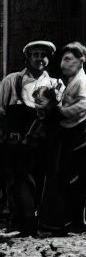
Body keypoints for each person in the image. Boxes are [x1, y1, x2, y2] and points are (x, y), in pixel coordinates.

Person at [0, 41, 62, 235]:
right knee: (18, 180)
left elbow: (60, 113)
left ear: (48, 59)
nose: (39, 59)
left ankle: (37, 220)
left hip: (43, 141)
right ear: (27, 57)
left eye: (43, 55)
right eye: (34, 54)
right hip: (17, 141)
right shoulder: (12, 80)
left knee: (40, 179)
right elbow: (1, 110)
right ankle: (22, 221)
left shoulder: (55, 84)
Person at [42, 42, 86, 234]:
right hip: (76, 134)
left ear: (80, 61)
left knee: (78, 179)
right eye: (63, 59)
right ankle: (73, 220)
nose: (63, 64)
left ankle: (76, 222)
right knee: (69, 178)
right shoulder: (71, 82)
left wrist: (60, 110)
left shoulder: (83, 81)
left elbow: (84, 105)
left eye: (68, 59)